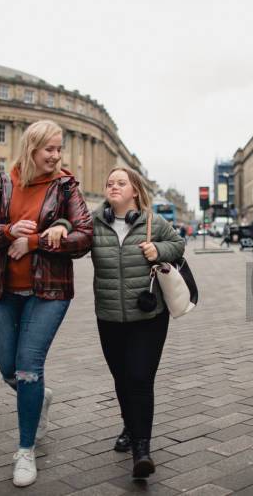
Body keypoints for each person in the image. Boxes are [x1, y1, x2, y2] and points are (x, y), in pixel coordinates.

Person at [0, 120, 92, 488]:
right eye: (50, 149)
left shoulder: (66, 186)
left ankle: (25, 450)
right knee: (9, 371)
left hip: (49, 293)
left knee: (28, 367)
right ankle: (39, 396)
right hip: (6, 292)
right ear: (31, 149)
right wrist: (10, 232)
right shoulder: (4, 183)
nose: (56, 156)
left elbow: (84, 236)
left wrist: (38, 241)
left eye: (60, 149)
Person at [55, 167, 184, 479]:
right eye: (109, 182)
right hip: (110, 316)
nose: (113, 186)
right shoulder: (94, 222)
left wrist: (159, 249)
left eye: (120, 182)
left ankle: (142, 449)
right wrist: (60, 224)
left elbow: (178, 246)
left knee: (140, 378)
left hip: (149, 316)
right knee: (122, 378)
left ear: (134, 191)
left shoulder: (154, 221)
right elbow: (74, 237)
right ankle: (130, 424)